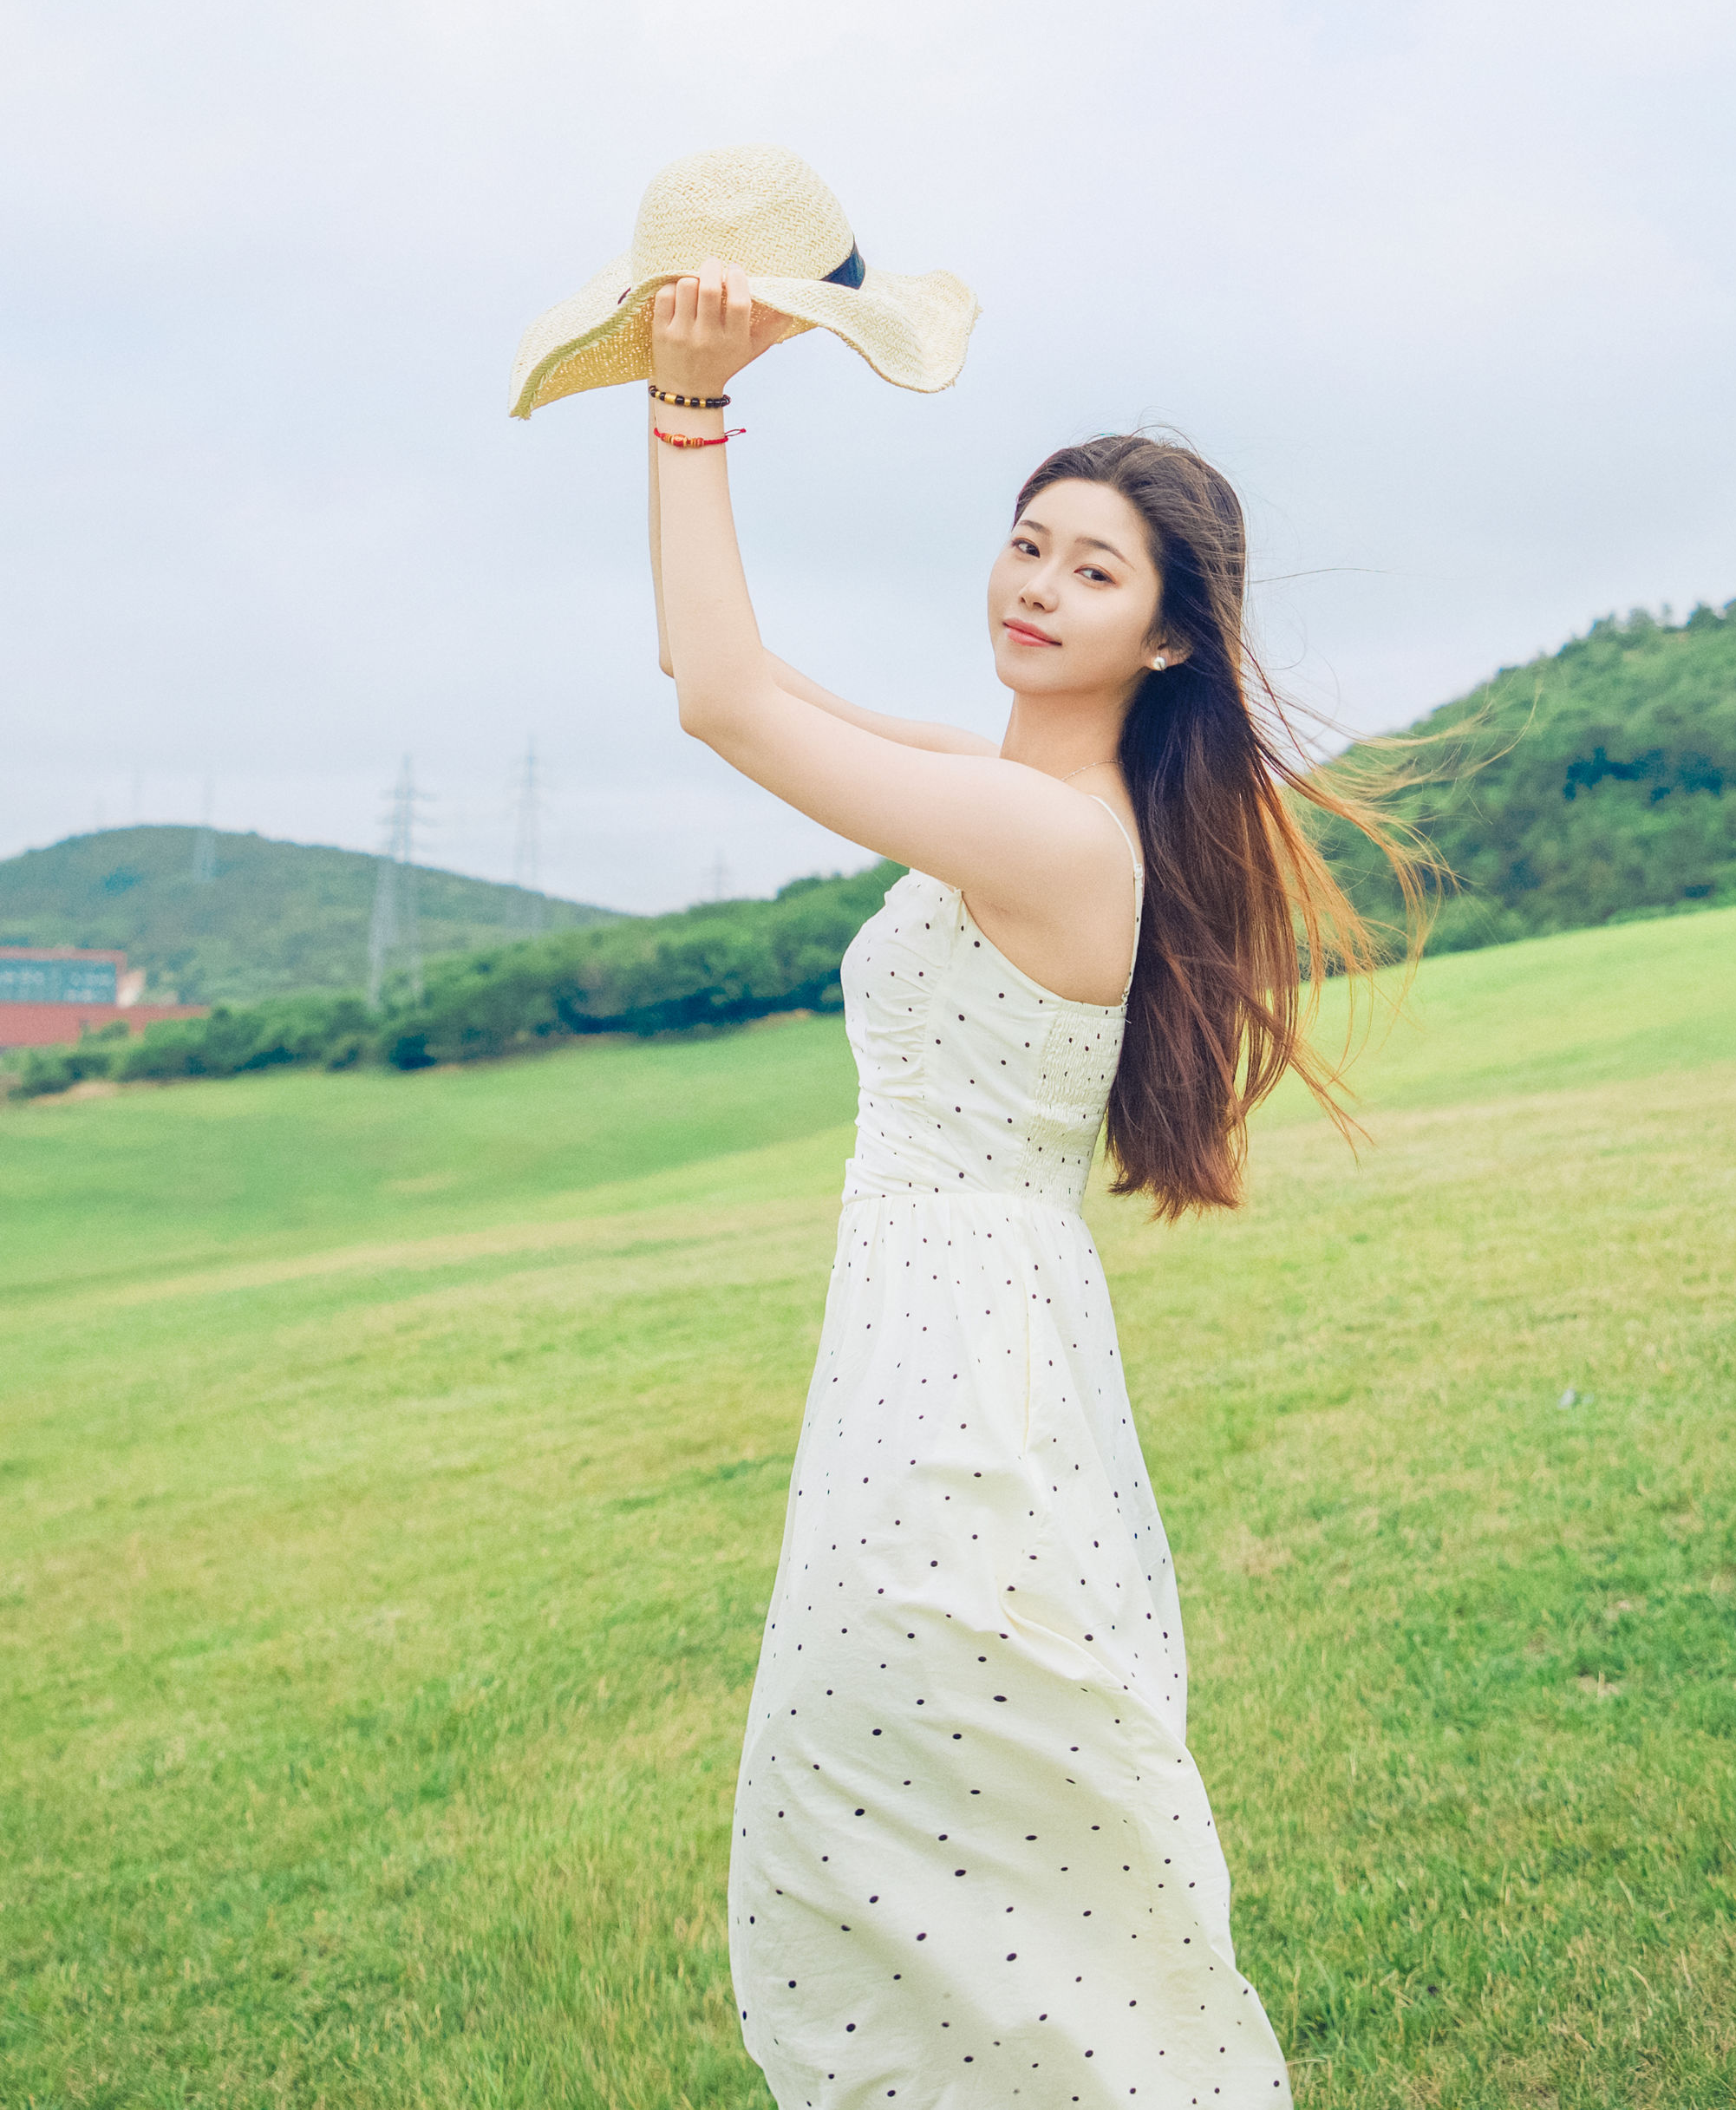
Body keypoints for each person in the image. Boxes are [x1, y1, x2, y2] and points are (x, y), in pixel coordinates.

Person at [643, 262, 1419, 2109]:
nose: (1038, 582)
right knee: (950, 1777)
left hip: (958, 1354)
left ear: (1165, 639)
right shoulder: (1011, 785)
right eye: (1027, 541)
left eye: (1094, 570)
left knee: (935, 1774)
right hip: (954, 1322)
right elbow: (752, 680)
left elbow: (722, 702)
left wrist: (682, 414)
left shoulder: (1048, 834)